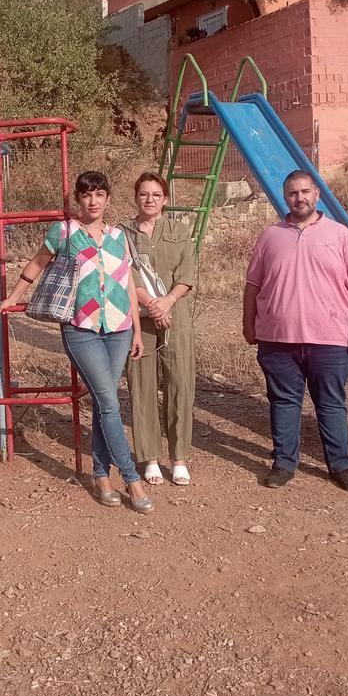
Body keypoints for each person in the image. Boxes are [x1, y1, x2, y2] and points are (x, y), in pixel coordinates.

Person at [0, 171, 153, 514]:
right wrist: (13, 297)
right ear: (78, 200)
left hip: (119, 329)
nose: (93, 201)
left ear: (109, 199)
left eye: (99, 194)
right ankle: (131, 478)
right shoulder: (65, 232)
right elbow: (36, 264)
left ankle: (100, 474)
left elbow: (128, 285)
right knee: (110, 404)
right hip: (81, 329)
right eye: (87, 195)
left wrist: (138, 331)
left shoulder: (118, 237)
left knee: (104, 404)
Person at [242, 170, 348, 491]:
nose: (299, 198)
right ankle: (284, 463)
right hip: (277, 339)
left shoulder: (341, 235)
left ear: (316, 194)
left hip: (330, 339)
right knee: (283, 402)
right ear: (284, 197)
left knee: (330, 403)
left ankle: (340, 466)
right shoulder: (270, 235)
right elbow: (252, 285)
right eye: (292, 193)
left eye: (304, 192)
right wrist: (249, 323)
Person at [121, 172, 198, 487]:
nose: (149, 199)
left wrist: (166, 302)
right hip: (139, 320)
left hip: (176, 317)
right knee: (142, 387)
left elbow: (188, 272)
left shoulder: (180, 231)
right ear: (136, 197)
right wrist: (152, 305)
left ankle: (178, 458)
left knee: (180, 385)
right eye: (143, 194)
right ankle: (150, 458)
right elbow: (125, 275)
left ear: (165, 199)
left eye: (155, 194)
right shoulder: (122, 233)